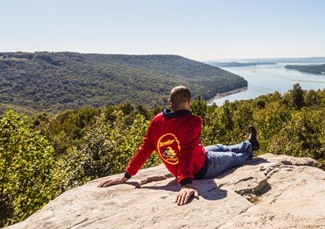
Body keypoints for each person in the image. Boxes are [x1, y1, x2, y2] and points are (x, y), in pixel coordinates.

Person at [98, 85, 259, 205]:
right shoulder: (192, 121)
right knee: (233, 157)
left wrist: (127, 175)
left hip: (201, 154)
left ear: (170, 102)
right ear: (189, 102)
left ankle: (247, 142)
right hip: (203, 168)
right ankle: (249, 148)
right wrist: (186, 184)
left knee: (220, 146)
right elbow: (186, 152)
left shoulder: (157, 121)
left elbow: (144, 150)